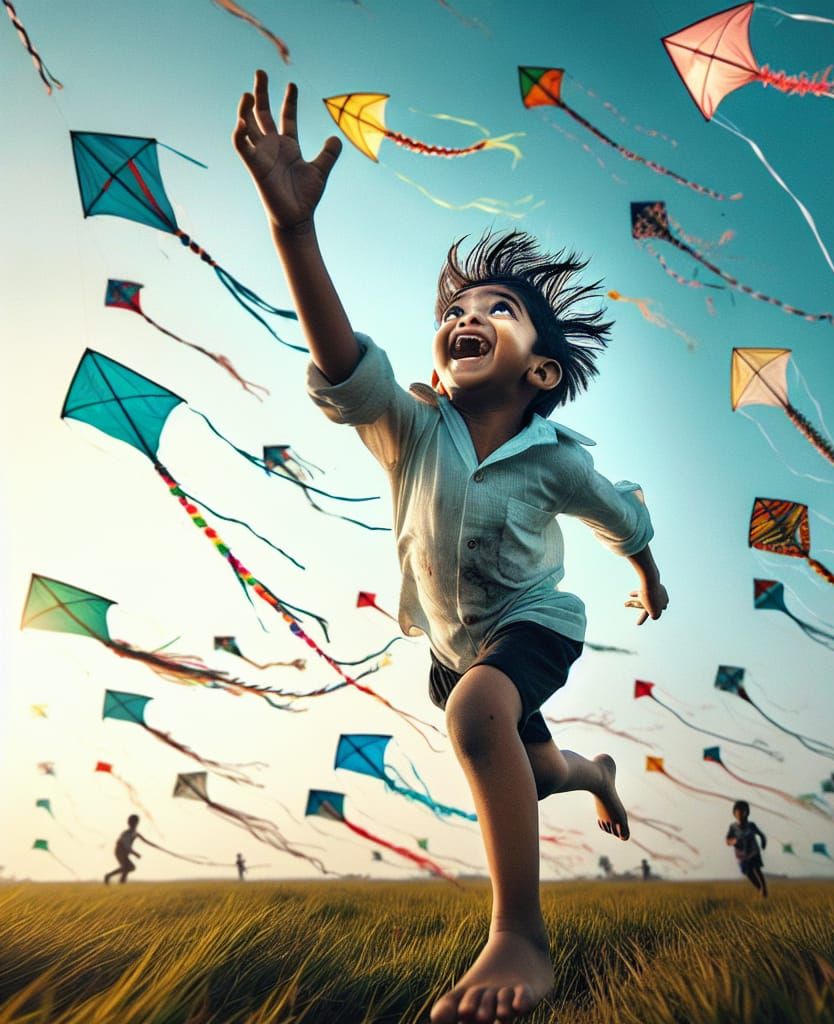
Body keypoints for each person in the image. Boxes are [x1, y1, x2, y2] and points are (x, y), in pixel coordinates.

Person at [233, 70, 670, 1024]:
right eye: (459, 310)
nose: (468, 316)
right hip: (452, 644)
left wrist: (648, 574)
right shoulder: (409, 428)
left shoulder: (557, 459)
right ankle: (588, 773)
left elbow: (619, 517)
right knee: (531, 763)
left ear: (542, 369)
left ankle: (519, 933)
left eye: (499, 310)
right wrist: (293, 231)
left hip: (533, 626)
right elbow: (342, 362)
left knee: (480, 715)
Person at [726, 800, 768, 898]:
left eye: (742, 812)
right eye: (738, 812)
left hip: (753, 852)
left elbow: (761, 835)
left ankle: (764, 888)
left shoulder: (751, 825)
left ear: (746, 813)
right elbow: (727, 840)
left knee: (757, 869)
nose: (740, 814)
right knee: (748, 873)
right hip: (741, 856)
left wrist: (763, 842)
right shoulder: (733, 827)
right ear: (734, 813)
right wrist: (734, 841)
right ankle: (759, 889)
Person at [103, 814, 150, 885]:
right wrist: (135, 853)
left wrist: (148, 843)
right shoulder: (127, 833)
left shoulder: (134, 833)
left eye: (135, 823)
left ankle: (111, 877)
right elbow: (126, 845)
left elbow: (143, 839)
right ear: (129, 823)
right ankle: (119, 880)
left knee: (131, 867)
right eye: (132, 823)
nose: (134, 824)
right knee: (126, 867)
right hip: (120, 851)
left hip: (125, 852)